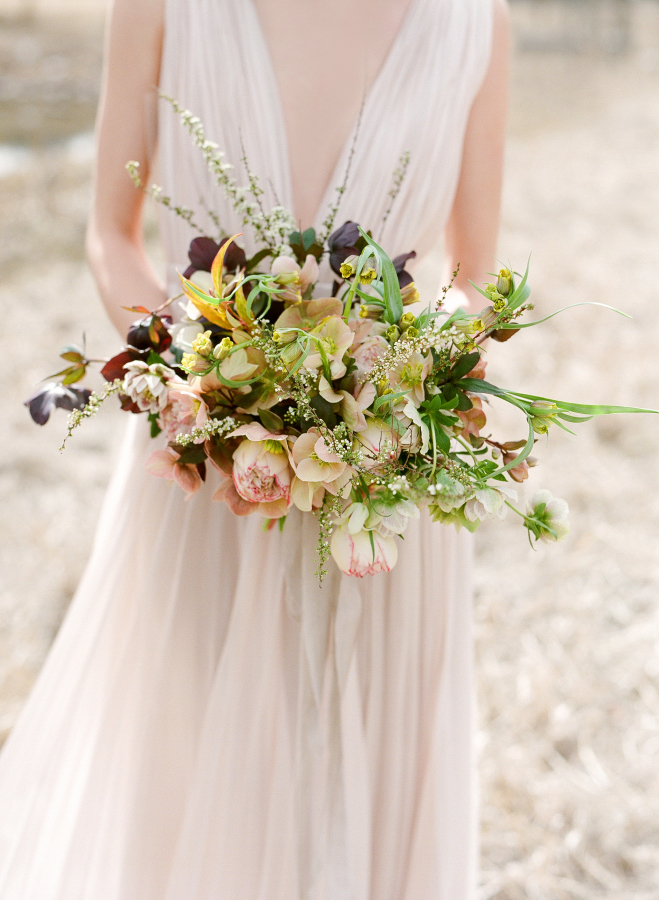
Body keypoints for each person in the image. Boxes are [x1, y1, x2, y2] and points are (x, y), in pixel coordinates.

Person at [0, 0, 510, 897]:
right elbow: (109, 235)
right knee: (187, 783)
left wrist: (389, 384)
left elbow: (474, 276)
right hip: (198, 472)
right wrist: (205, 388)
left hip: (381, 496)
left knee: (365, 782)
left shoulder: (474, 21)